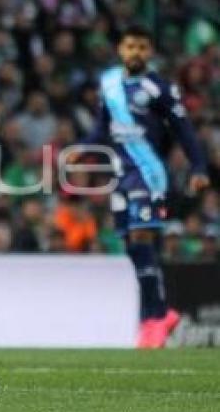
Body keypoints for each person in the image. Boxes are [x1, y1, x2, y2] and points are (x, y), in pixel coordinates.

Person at [70, 25, 210, 348]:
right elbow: (101, 129)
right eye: (130, 46)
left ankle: (155, 320)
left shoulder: (158, 87)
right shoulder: (109, 83)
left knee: (142, 238)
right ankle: (159, 314)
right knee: (134, 248)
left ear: (150, 52)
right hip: (121, 175)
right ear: (120, 49)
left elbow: (183, 129)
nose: (136, 53)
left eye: (142, 47)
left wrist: (199, 166)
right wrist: (83, 146)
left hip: (149, 174)